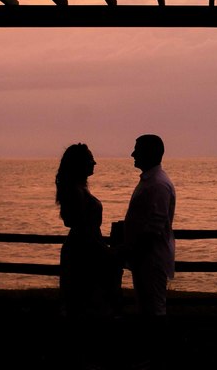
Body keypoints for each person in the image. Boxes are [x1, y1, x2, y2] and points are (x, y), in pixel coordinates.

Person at [55, 143, 115, 319]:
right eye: (90, 159)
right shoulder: (75, 191)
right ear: (79, 164)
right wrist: (105, 251)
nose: (94, 163)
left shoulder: (77, 189)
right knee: (85, 301)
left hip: (83, 248)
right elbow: (82, 227)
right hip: (82, 251)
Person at [122, 134, 176, 318]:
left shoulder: (157, 184)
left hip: (151, 259)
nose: (133, 154)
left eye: (137, 150)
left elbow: (154, 228)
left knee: (153, 310)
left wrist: (129, 250)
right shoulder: (153, 181)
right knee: (147, 308)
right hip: (145, 257)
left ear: (149, 153)